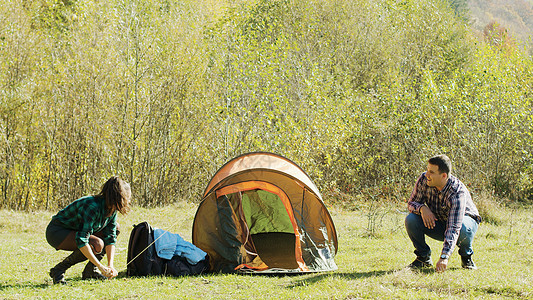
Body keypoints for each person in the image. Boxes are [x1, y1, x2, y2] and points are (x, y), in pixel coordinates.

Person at [45, 176, 131, 284]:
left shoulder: (111, 209)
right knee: (97, 244)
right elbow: (82, 239)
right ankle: (59, 270)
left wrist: (110, 265)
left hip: (75, 231)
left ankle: (90, 271)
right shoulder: (92, 206)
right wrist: (100, 266)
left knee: (116, 228)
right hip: (57, 232)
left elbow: (110, 237)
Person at [405, 155, 481, 272]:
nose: (426, 174)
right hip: (440, 222)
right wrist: (422, 208)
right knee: (411, 219)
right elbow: (411, 203)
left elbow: (454, 227)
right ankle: (423, 257)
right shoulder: (423, 180)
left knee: (463, 228)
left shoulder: (456, 191)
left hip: (464, 223)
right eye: (427, 170)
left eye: (431, 172)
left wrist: (444, 257)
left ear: (444, 176)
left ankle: (466, 256)